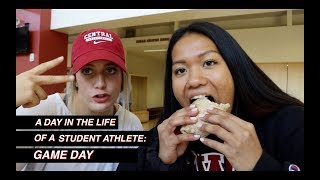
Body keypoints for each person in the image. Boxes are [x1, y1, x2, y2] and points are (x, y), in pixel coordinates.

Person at [138, 21, 304, 171]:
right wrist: (163, 164)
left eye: (209, 63)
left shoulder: (291, 124)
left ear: (235, 68)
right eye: (180, 70)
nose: (194, 81)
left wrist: (260, 165)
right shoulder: (163, 137)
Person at [16, 28, 144, 171]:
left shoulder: (131, 124)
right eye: (87, 71)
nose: (100, 83)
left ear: (122, 77)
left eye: (110, 70)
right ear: (75, 79)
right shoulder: (38, 113)